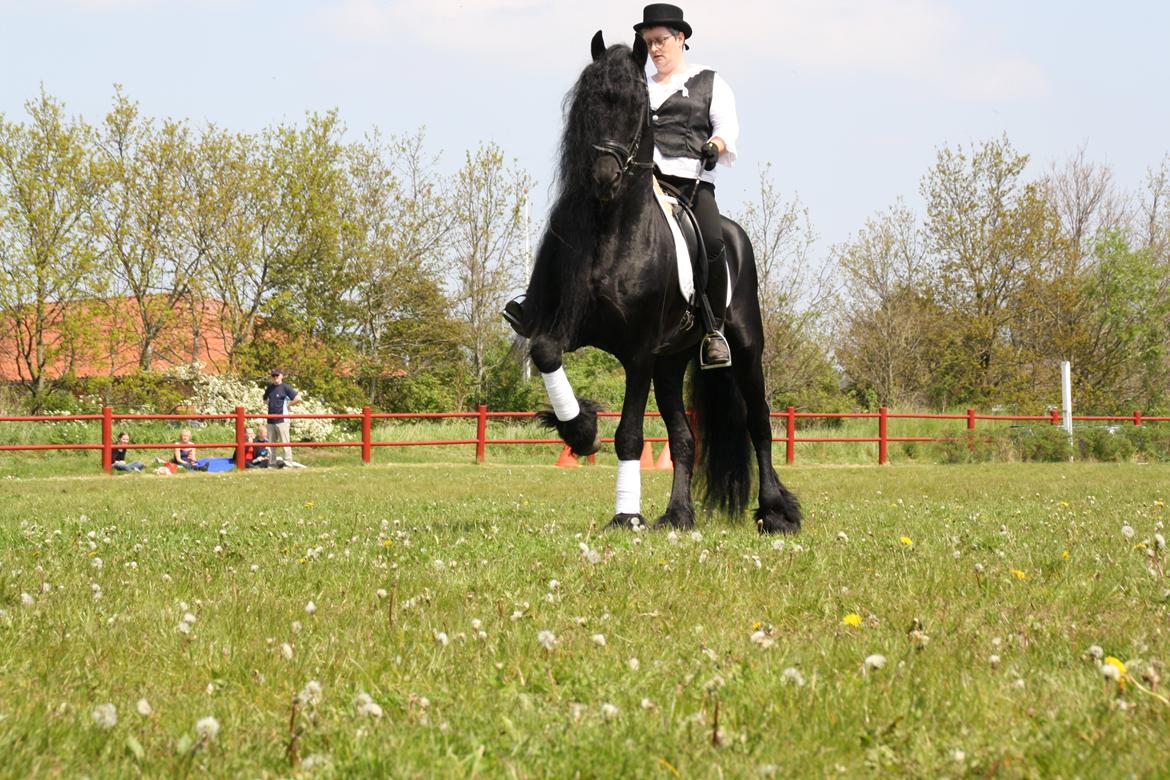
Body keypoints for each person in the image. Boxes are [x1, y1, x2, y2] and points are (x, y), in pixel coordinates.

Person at [503, 3, 739, 369]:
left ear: (681, 39)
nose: (656, 49)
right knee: (568, 221)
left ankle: (713, 329)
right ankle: (536, 304)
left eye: (661, 40)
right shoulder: (635, 84)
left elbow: (726, 128)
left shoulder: (709, 81)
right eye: (650, 42)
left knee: (712, 240)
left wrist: (714, 146)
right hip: (638, 183)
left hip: (690, 184)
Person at [263, 369, 304, 468]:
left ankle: (288, 463)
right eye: (273, 376)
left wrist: (288, 404)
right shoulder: (269, 388)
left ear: (281, 376)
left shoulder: (285, 387)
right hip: (271, 420)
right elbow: (264, 400)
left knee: (285, 443)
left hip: (283, 420)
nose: (275, 377)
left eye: (277, 375)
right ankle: (272, 463)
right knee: (271, 444)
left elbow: (298, 398)